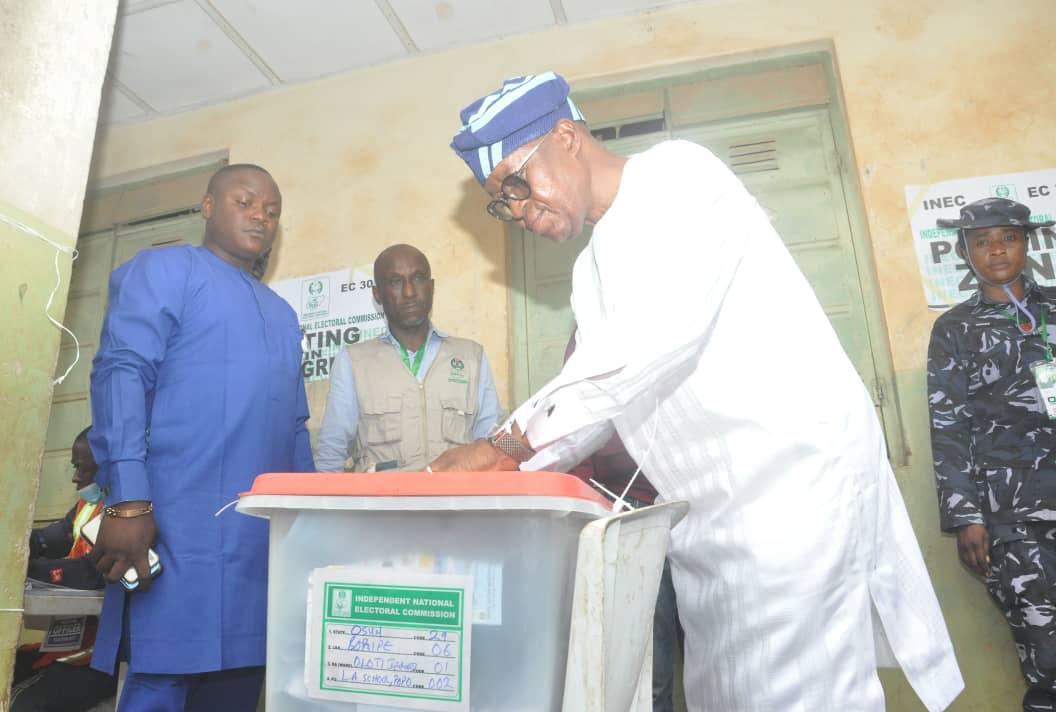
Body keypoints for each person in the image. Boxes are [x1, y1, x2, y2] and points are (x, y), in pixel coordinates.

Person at [432, 71, 964, 710]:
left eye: (516, 185)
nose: (517, 211)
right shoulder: (590, 270)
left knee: (804, 692)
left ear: (566, 137)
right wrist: (504, 470)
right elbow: (604, 399)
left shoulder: (678, 177)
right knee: (726, 693)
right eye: (502, 202)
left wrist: (508, 445)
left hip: (789, 489)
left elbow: (643, 346)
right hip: (709, 515)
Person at [86, 163, 314, 711]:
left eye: (272, 210)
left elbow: (295, 430)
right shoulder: (164, 270)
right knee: (164, 676)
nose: (261, 215)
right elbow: (121, 374)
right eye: (246, 201)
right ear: (208, 205)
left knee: (241, 682)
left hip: (258, 546)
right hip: (171, 529)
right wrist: (128, 500)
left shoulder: (283, 316)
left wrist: (311, 526)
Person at [927, 197, 1056, 712]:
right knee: (1044, 643)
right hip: (1014, 514)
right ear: (964, 251)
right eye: (982, 241)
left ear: (1027, 243)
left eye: (1007, 237)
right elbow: (948, 425)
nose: (996, 250)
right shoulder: (954, 330)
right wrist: (966, 516)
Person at [564, 330, 681, 712]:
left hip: (702, 517)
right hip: (633, 521)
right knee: (652, 672)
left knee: (717, 660)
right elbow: (573, 446)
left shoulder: (678, 330)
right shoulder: (587, 344)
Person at [314, 243, 501, 472]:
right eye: (395, 282)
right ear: (378, 294)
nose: (410, 292)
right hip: (383, 505)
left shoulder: (471, 357)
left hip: (454, 505)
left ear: (431, 287)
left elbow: (492, 447)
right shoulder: (353, 362)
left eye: (419, 278)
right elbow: (331, 453)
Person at [12, 426, 116, 712]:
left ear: (106, 466)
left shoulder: (125, 517)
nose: (75, 477)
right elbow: (52, 538)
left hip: (97, 656)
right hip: (67, 644)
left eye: (81, 468)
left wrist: (26, 571)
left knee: (19, 704)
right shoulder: (88, 504)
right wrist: (13, 545)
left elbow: (89, 573)